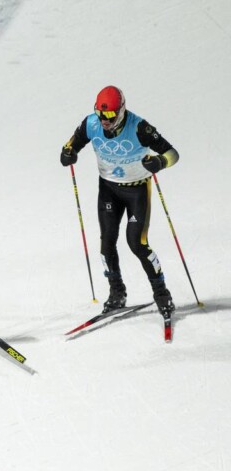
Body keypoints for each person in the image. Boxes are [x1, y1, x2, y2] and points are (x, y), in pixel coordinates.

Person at [60, 86, 179, 318]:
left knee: (137, 243)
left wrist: (160, 162)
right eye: (101, 115)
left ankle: (162, 295)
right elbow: (70, 145)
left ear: (122, 110)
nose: (105, 121)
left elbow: (173, 153)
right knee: (107, 244)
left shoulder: (139, 127)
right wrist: (68, 154)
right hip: (108, 189)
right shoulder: (91, 123)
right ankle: (117, 293)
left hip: (137, 191)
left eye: (110, 116)